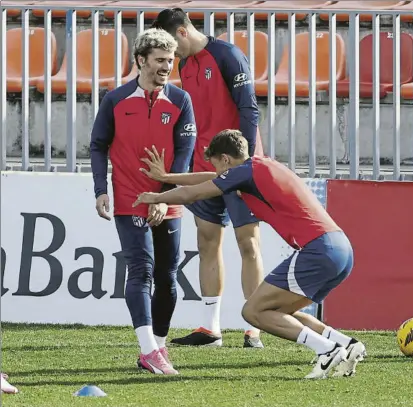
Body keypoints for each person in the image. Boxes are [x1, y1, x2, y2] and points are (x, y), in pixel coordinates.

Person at [133, 130, 367, 379]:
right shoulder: (258, 166)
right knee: (276, 309)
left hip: (318, 250)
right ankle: (346, 344)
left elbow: (196, 193)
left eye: (217, 165)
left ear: (225, 159)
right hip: (341, 247)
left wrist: (157, 197)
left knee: (253, 312)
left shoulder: (243, 174)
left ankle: (327, 349)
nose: (218, 173)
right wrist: (168, 177)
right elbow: (208, 179)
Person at [151, 8, 265, 348]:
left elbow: (249, 108)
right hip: (207, 165)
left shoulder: (228, 55)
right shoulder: (186, 66)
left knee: (248, 244)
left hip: (240, 165)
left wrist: (245, 163)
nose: (171, 57)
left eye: (173, 46)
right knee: (207, 241)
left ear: (183, 32)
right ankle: (210, 327)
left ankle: (254, 327)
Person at [90, 28, 196, 375]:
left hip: (169, 199)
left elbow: (185, 152)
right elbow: (98, 145)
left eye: (171, 60)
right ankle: (149, 349)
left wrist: (165, 195)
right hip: (130, 198)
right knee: (142, 270)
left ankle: (158, 348)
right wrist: (100, 189)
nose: (167, 66)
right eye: (160, 60)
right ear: (140, 60)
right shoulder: (115, 99)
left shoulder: (181, 100)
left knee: (167, 276)